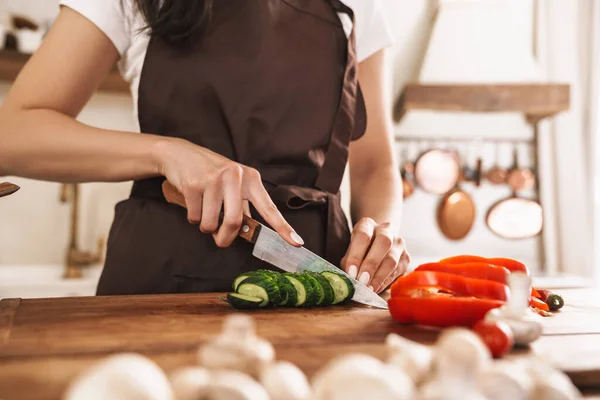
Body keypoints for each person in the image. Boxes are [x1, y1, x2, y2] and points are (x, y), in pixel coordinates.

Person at [0, 0, 410, 295]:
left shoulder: (363, 7)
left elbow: (375, 165)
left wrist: (381, 230)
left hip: (320, 286)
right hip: (160, 287)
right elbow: (11, 136)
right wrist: (167, 152)